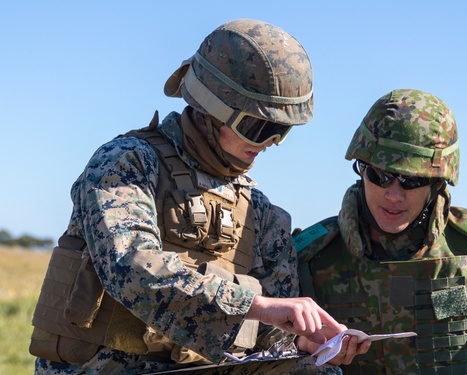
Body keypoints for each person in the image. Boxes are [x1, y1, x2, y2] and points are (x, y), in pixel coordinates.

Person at [30, 19, 360, 375]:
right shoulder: (128, 163)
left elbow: (266, 340)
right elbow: (133, 270)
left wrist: (301, 343)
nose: (270, 143)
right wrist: (258, 305)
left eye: (282, 131)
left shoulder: (260, 212)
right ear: (212, 107)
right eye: (258, 127)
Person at [294, 89, 467, 374]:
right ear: (361, 169)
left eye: (411, 180)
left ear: (437, 182)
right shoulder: (311, 257)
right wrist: (300, 346)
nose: (393, 195)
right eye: (378, 175)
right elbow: (262, 351)